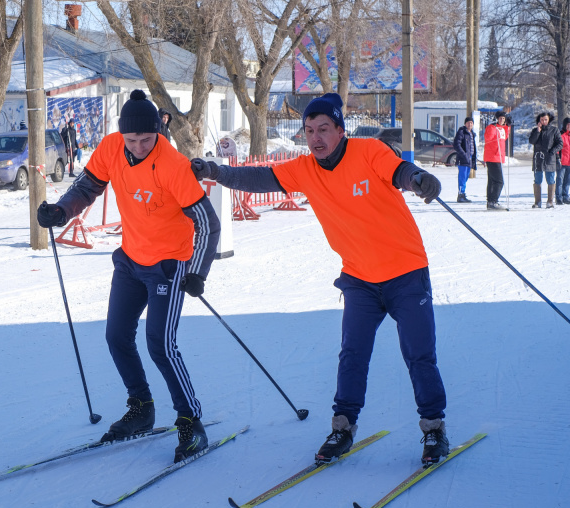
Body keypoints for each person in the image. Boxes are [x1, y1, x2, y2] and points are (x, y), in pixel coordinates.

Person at [190, 93, 450, 466]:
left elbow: (399, 171)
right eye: (309, 130)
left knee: (419, 354)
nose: (316, 138)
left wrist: (419, 179)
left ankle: (434, 430)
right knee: (353, 354)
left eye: (324, 129)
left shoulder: (368, 151)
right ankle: (342, 427)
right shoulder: (305, 169)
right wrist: (215, 171)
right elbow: (258, 177)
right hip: (359, 279)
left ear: (340, 130)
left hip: (405, 273)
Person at [38, 90, 221, 463]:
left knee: (160, 344)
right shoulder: (110, 148)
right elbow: (87, 187)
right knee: (116, 336)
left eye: (146, 139)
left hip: (169, 265)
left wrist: (198, 273)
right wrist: (61, 212)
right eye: (131, 139)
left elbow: (208, 224)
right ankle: (142, 408)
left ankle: (191, 422)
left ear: (158, 132)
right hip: (131, 260)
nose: (138, 146)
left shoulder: (172, 165)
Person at [529, 112, 563, 208]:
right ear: (539, 120)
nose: (543, 121)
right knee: (537, 180)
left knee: (550, 179)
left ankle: (550, 202)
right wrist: (538, 131)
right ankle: (537, 202)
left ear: (549, 120)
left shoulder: (554, 130)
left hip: (550, 159)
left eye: (545, 119)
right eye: (542, 119)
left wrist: (553, 151)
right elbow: (532, 141)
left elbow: (560, 143)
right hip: (538, 158)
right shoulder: (535, 130)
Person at [483, 111, 510, 210]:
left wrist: (508, 126)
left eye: (503, 118)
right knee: (499, 181)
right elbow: (488, 138)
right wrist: (493, 128)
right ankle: (493, 200)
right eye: (500, 118)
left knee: (492, 180)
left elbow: (505, 137)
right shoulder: (492, 127)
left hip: (498, 157)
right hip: (492, 157)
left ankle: (490, 201)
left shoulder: (503, 128)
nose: (502, 120)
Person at [452, 117, 476, 203]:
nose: (470, 124)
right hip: (463, 159)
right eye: (468, 123)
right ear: (465, 124)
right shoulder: (462, 132)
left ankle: (463, 193)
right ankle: (460, 195)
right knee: (462, 177)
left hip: (469, 159)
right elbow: (456, 144)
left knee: (465, 177)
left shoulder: (472, 134)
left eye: (471, 123)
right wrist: (464, 154)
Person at [557, 118, 570, 205]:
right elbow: (558, 148)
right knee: (560, 180)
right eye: (568, 125)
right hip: (562, 162)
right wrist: (557, 158)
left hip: (569, 162)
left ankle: (566, 196)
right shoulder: (561, 134)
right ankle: (558, 197)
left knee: (567, 181)